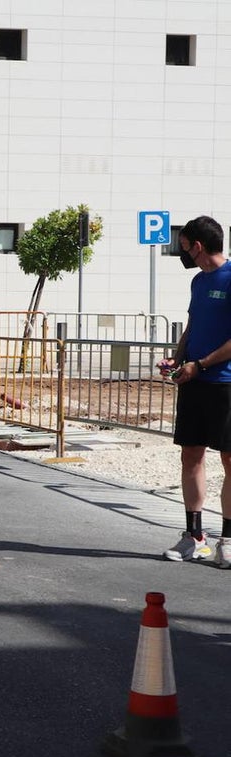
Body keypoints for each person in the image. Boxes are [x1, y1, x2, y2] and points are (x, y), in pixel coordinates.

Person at [158, 214, 231, 565]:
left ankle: (228, 541)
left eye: (184, 247)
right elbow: (192, 325)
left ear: (198, 246)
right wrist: (177, 359)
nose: (182, 253)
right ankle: (195, 536)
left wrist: (201, 364)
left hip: (225, 384)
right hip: (195, 384)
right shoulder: (199, 283)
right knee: (191, 457)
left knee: (230, 461)